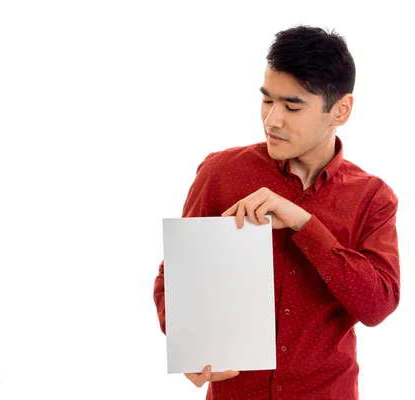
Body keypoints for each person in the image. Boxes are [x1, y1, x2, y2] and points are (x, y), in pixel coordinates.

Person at [153, 24, 400, 400]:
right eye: (268, 100)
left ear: (341, 110)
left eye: (292, 106)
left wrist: (306, 225)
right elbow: (177, 275)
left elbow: (377, 305)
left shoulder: (372, 197)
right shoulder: (222, 172)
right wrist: (188, 346)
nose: (272, 119)